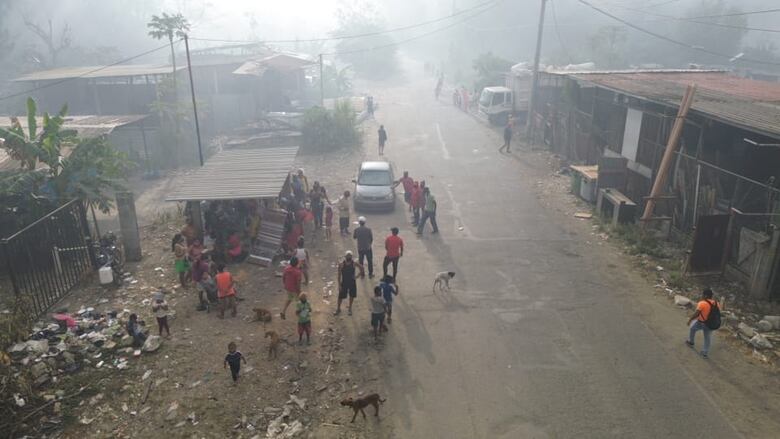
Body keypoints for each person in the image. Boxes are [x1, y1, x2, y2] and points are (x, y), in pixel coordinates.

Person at [686, 288, 721, 358]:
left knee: (692, 328)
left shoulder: (702, 303)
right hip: (711, 324)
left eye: (703, 294)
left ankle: (691, 342)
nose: (702, 296)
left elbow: (696, 314)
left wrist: (690, 320)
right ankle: (705, 353)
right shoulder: (717, 303)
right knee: (707, 338)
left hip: (702, 322)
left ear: (705, 295)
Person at [335, 251, 364, 316]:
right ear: (345, 257)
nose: (349, 257)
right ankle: (338, 309)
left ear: (351, 257)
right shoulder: (341, 264)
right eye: (348, 256)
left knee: (352, 295)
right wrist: (339, 285)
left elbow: (362, 268)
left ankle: (350, 308)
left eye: (350, 256)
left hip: (352, 282)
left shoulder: (354, 263)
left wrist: (357, 276)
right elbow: (339, 276)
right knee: (340, 296)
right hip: (344, 282)